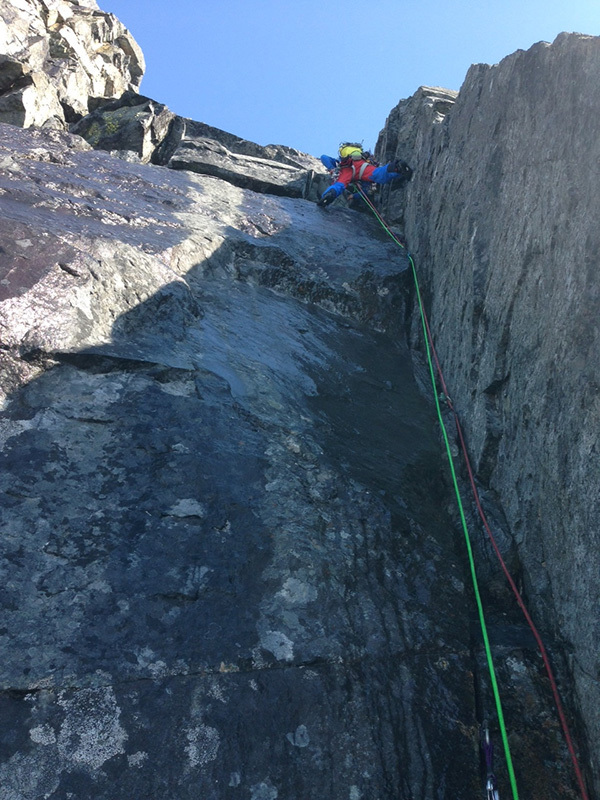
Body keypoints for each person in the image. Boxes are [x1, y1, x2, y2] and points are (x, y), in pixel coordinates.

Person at [317, 142, 412, 207]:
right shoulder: (363, 158)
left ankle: (328, 195)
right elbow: (367, 190)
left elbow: (324, 157)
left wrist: (332, 169)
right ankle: (397, 168)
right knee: (377, 174)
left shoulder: (341, 163)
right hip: (362, 165)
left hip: (347, 169)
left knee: (340, 184)